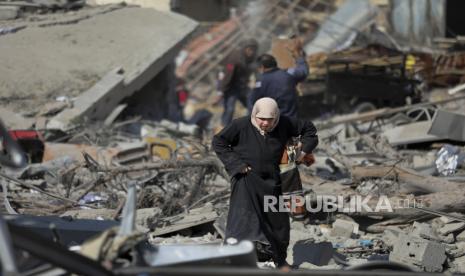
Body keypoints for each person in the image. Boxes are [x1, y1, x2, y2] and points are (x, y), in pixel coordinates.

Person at [212, 97, 318, 268]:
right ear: (254, 115)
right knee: (242, 220)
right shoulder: (240, 125)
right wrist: (236, 164)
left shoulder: (285, 123)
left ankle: (278, 260)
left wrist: (303, 151)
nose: (265, 123)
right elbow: (219, 142)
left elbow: (309, 130)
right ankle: (233, 260)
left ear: (276, 117)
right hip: (247, 180)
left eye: (270, 120)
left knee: (278, 223)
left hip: (275, 181)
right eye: (261, 119)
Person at [250, 38, 308, 118]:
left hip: (275, 121)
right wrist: (298, 56)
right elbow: (303, 72)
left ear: (262, 67)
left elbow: (253, 101)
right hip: (294, 119)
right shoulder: (288, 73)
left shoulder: (260, 82)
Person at [217, 38, 259, 126]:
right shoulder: (235, 58)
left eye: (253, 50)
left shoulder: (252, 60)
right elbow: (227, 75)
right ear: (245, 48)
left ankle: (250, 127)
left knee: (252, 105)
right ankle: (224, 128)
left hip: (243, 87)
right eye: (249, 49)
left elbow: (257, 73)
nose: (251, 52)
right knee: (230, 109)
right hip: (231, 87)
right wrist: (221, 91)